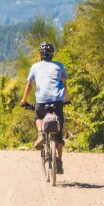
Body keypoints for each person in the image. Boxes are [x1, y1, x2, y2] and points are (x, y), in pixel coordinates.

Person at [20, 40, 70, 174]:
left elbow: (29, 86)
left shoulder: (35, 67)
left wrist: (24, 101)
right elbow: (64, 85)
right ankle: (59, 161)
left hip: (41, 102)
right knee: (59, 132)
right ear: (52, 54)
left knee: (38, 117)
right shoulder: (59, 66)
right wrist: (67, 99)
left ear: (40, 54)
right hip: (57, 102)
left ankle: (41, 133)